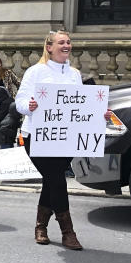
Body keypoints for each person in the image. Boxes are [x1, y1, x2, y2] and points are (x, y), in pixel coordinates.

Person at [15, 30, 85, 250]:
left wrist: (97, 112)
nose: (66, 45)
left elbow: (81, 103)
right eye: (61, 42)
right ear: (49, 47)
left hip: (66, 138)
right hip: (37, 136)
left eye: (68, 42)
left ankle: (41, 226)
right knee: (56, 178)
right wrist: (30, 106)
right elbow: (20, 102)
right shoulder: (36, 72)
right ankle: (68, 231)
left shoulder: (74, 74)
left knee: (52, 180)